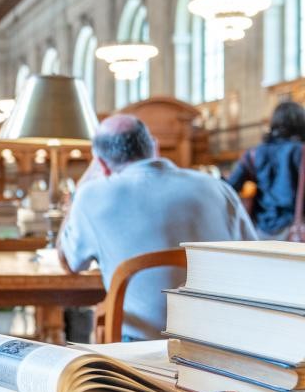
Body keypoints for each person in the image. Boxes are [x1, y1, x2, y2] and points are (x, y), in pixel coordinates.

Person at [57, 115, 255, 341]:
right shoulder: (218, 188)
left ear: (101, 165)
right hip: (219, 346)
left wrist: (79, 189)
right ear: (155, 148)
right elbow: (255, 259)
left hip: (138, 351)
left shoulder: (91, 195)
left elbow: (69, 262)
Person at [227, 101, 305, 239]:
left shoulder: (252, 154)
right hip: (296, 232)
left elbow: (228, 189)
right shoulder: (301, 150)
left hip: (261, 231)